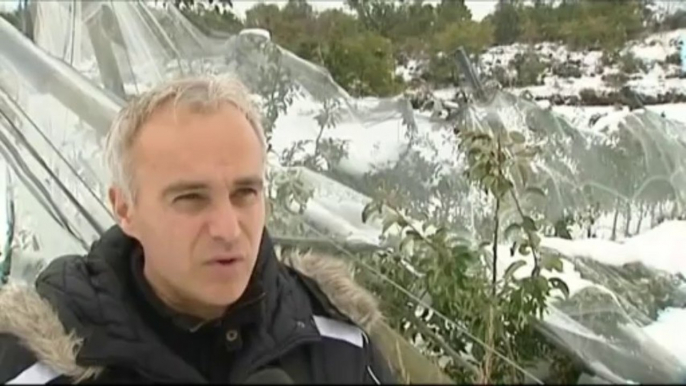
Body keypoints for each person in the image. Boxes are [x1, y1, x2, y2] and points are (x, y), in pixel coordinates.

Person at [0, 75, 397, 384]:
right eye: (190, 198)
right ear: (125, 209)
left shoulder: (335, 341)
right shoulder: (40, 366)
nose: (227, 229)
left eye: (245, 193)